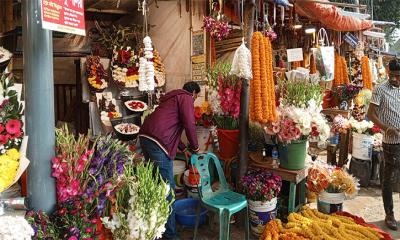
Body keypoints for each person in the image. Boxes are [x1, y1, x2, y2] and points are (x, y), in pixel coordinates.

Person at [139, 81, 200, 240]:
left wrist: (184, 148)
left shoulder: (171, 99)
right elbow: (189, 124)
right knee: (167, 190)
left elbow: (170, 128)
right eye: (196, 97)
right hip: (158, 143)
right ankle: (170, 234)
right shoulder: (186, 98)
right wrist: (195, 148)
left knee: (155, 186)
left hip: (146, 137)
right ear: (192, 93)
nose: (194, 101)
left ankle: (155, 228)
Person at [367, 58, 400, 230]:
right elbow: (370, 114)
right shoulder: (380, 89)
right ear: (388, 72)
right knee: (388, 179)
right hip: (391, 143)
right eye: (392, 75)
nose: (395, 79)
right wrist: (387, 128)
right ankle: (389, 214)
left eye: (399, 76)